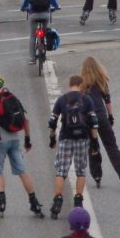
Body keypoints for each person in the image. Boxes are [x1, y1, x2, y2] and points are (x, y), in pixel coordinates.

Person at [0, 74, 44, 217]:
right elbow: (26, 119)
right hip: (15, 139)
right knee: (22, 171)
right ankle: (34, 202)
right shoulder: (13, 98)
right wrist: (27, 139)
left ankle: (1, 202)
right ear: (2, 85)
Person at [80, 57, 120, 189]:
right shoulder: (102, 81)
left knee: (93, 147)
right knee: (112, 146)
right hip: (101, 117)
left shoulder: (82, 85)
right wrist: (110, 117)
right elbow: (108, 101)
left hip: (88, 119)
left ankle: (97, 175)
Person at [48, 75, 99, 218]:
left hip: (66, 138)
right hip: (82, 138)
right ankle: (78, 200)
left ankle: (57, 200)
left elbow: (52, 122)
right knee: (81, 170)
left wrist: (52, 138)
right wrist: (94, 142)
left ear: (70, 84)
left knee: (61, 170)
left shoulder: (62, 100)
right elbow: (94, 123)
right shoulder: (87, 99)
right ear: (81, 84)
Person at [20, 0, 60, 65]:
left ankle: (32, 58)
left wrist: (23, 8)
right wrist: (57, 7)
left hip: (33, 14)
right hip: (45, 14)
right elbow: (54, 0)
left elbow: (26, 1)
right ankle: (44, 46)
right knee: (45, 32)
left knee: (33, 36)